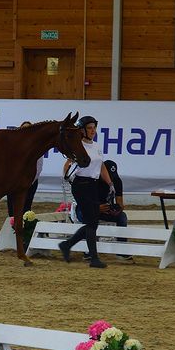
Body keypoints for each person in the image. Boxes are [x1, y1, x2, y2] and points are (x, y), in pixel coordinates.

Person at [58, 115, 115, 268]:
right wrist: (67, 178)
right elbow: (67, 164)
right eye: (89, 128)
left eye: (94, 128)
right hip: (81, 185)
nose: (93, 131)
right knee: (92, 221)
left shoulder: (96, 146)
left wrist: (110, 183)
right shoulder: (78, 145)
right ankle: (94, 258)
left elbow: (101, 166)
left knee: (93, 222)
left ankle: (67, 244)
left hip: (93, 185)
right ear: (82, 130)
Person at [73, 160, 133, 262]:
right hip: (85, 209)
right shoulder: (91, 181)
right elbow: (83, 202)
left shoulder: (116, 181)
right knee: (89, 215)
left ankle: (121, 250)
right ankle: (88, 251)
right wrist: (97, 208)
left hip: (105, 209)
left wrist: (117, 209)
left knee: (122, 216)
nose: (109, 179)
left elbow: (120, 202)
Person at [5, 122, 41, 221]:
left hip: (30, 182)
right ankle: (12, 227)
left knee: (26, 207)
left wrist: (31, 181)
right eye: (24, 128)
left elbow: (39, 166)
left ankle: (25, 229)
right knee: (12, 208)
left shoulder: (37, 146)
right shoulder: (13, 145)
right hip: (13, 183)